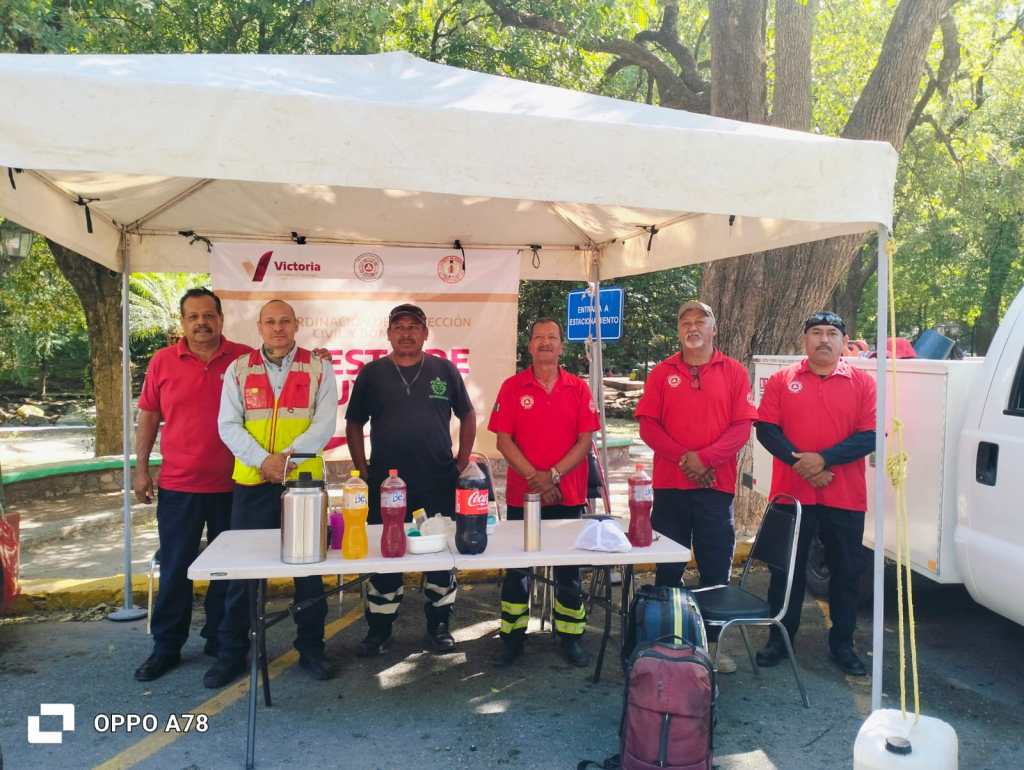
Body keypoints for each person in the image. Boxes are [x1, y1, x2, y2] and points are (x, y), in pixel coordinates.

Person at [204, 299, 338, 688]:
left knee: (308, 574)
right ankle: (232, 654)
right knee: (242, 574)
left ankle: (311, 649)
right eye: (270, 322)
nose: (278, 328)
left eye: (284, 321)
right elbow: (228, 424)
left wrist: (287, 461)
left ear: (296, 324)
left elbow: (324, 424)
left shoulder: (319, 368)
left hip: (303, 484)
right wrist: (264, 461)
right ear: (259, 327)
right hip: (253, 482)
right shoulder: (238, 369)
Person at [132, 288, 253, 682]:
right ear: (182, 322)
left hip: (235, 485)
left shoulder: (244, 359)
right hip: (179, 486)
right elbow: (149, 416)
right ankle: (166, 647)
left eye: (208, 315)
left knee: (229, 572)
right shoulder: (163, 361)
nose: (202, 323)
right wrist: (140, 469)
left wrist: (317, 359)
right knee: (175, 568)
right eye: (193, 316)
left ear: (221, 319)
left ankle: (222, 639)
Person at [345, 304, 476, 655]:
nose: (406, 333)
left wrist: (462, 460)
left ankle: (439, 626)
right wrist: (362, 469)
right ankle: (379, 630)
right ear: (389, 333)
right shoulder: (372, 373)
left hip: (438, 482)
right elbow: (354, 423)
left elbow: (467, 414)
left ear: (425, 333)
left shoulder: (444, 370)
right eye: (399, 327)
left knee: (440, 557)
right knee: (386, 557)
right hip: (387, 484)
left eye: (413, 327)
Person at [634, 300, 757, 673]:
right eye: (685, 321)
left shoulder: (734, 372)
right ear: (678, 331)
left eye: (700, 321)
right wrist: (686, 459)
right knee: (668, 569)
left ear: (713, 329)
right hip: (671, 487)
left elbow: (741, 427)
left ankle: (713, 649)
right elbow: (648, 425)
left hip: (715, 487)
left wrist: (706, 460)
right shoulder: (662, 372)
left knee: (715, 570)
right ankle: (664, 644)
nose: (692, 327)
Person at [754, 310, 876, 676]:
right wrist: (804, 465)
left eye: (832, 334)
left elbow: (870, 435)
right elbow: (767, 430)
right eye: (817, 333)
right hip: (792, 495)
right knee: (785, 571)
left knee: (846, 573)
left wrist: (823, 460)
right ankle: (779, 639)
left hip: (845, 496)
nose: (824, 339)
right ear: (805, 340)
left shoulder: (863, 383)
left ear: (844, 342)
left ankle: (843, 645)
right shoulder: (782, 380)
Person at [489, 318, 599, 668]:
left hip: (568, 494)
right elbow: (503, 440)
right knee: (518, 570)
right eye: (539, 337)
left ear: (562, 347)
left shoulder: (578, 388)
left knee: (568, 571)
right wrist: (534, 478)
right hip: (524, 496)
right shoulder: (512, 387)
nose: (546, 342)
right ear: (530, 346)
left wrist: (551, 476)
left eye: (553, 337)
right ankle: (512, 637)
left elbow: (585, 441)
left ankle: (570, 637)